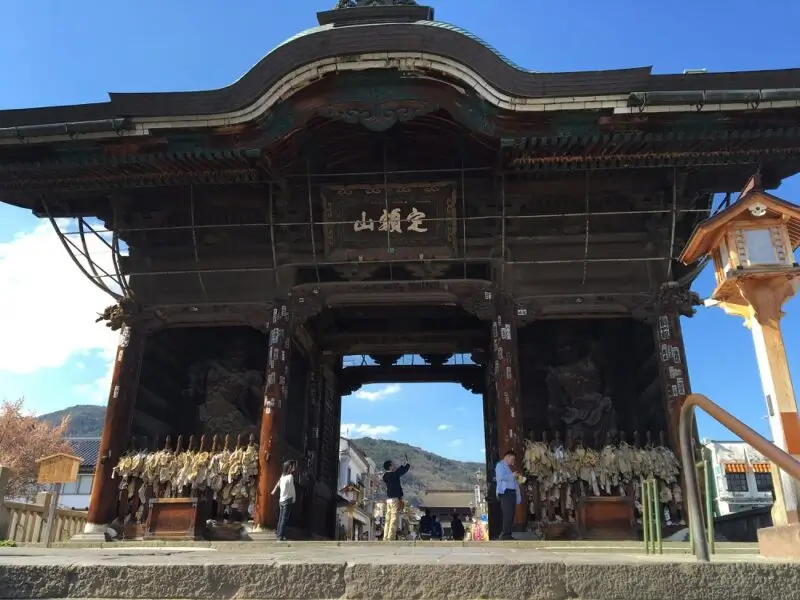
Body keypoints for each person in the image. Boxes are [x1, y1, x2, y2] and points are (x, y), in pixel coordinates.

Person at [495, 449, 522, 540]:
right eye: (512, 459)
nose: (513, 462)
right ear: (507, 457)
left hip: (512, 493)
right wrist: (512, 476)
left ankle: (508, 534)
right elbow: (500, 477)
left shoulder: (508, 467)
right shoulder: (500, 465)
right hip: (506, 493)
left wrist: (518, 478)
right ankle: (505, 534)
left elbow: (511, 480)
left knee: (511, 514)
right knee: (508, 513)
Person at [382, 458, 410, 541]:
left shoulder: (385, 476)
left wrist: (402, 466)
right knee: (394, 519)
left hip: (388, 500)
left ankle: (385, 537)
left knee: (388, 519)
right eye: (392, 464)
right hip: (394, 499)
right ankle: (391, 537)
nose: (394, 466)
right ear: (390, 467)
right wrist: (406, 464)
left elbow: (397, 472)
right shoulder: (393, 475)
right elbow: (401, 471)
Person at [271, 460, 296, 541]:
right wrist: (294, 498)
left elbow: (278, 485)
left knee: (281, 518)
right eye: (293, 466)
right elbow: (292, 489)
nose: (294, 468)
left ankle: (279, 534)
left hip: (281, 500)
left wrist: (273, 491)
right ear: (289, 467)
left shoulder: (282, 476)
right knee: (284, 519)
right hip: (288, 499)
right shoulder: (290, 477)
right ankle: (280, 537)